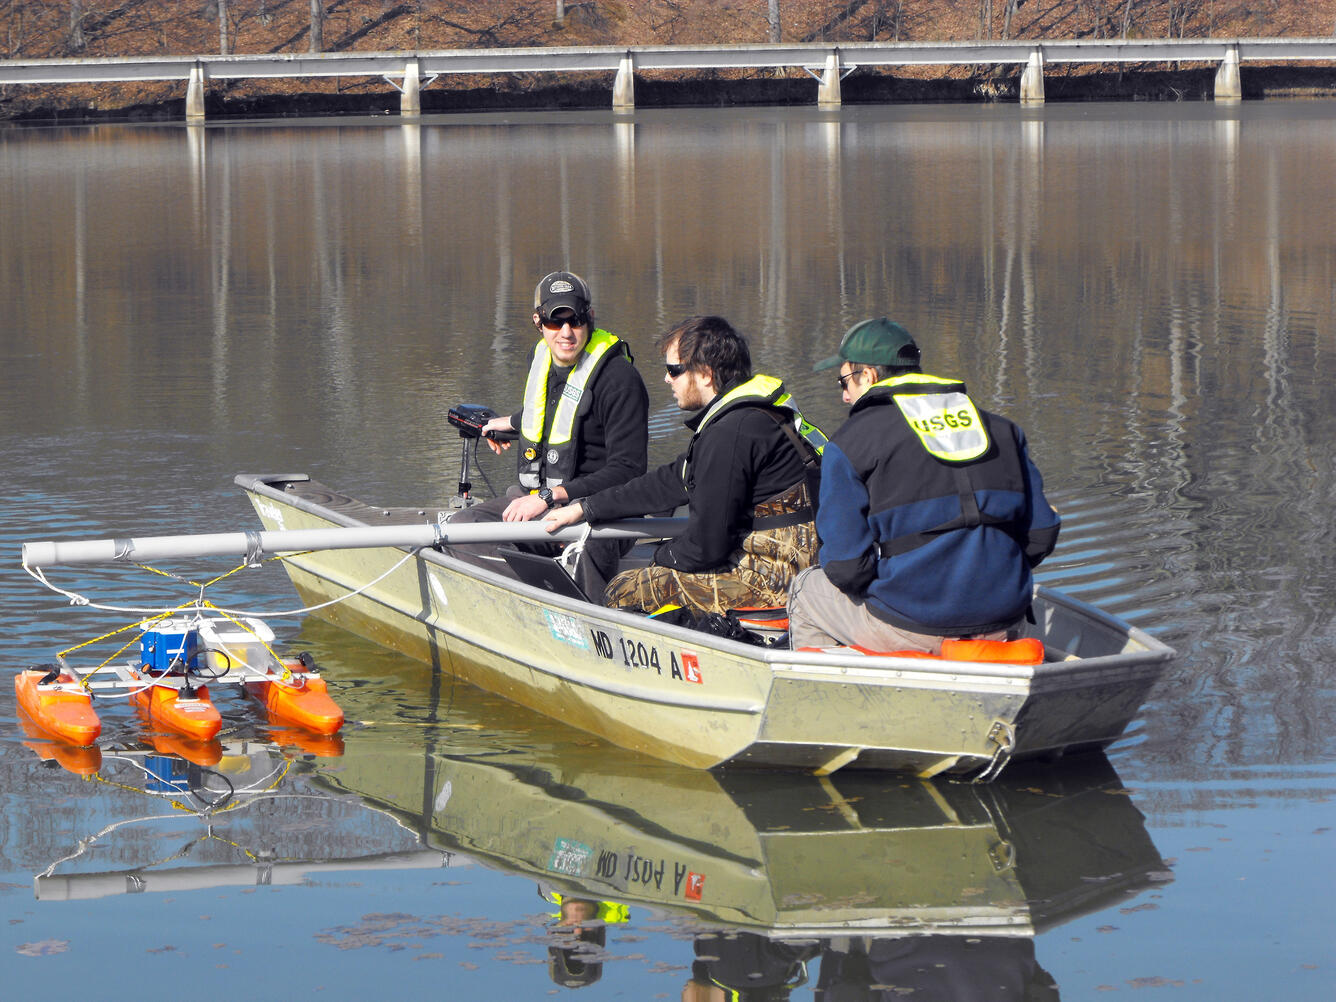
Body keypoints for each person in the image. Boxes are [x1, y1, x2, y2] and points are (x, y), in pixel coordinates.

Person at [787, 317, 1060, 653]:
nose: (844, 396)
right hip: (1004, 620)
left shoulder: (851, 443)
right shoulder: (1003, 429)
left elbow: (847, 569)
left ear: (868, 376)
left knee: (806, 587)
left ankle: (832, 695)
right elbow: (1042, 533)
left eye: (843, 381)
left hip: (914, 625)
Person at [543, 315, 824, 617]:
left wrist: (663, 555)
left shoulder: (732, 432)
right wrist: (586, 508)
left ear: (704, 373)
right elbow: (670, 481)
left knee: (623, 588)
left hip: (774, 581)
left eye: (674, 370)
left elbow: (707, 547)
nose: (666, 379)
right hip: (807, 566)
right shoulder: (755, 415)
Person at [447, 270, 649, 596]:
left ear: (590, 317)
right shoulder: (539, 358)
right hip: (537, 503)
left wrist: (548, 498)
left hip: (598, 513)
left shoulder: (619, 379)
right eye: (555, 323)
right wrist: (508, 424)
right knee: (461, 529)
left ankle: (580, 620)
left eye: (576, 320)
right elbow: (555, 414)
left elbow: (629, 469)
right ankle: (519, 603)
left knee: (588, 547)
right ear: (539, 323)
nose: (566, 332)